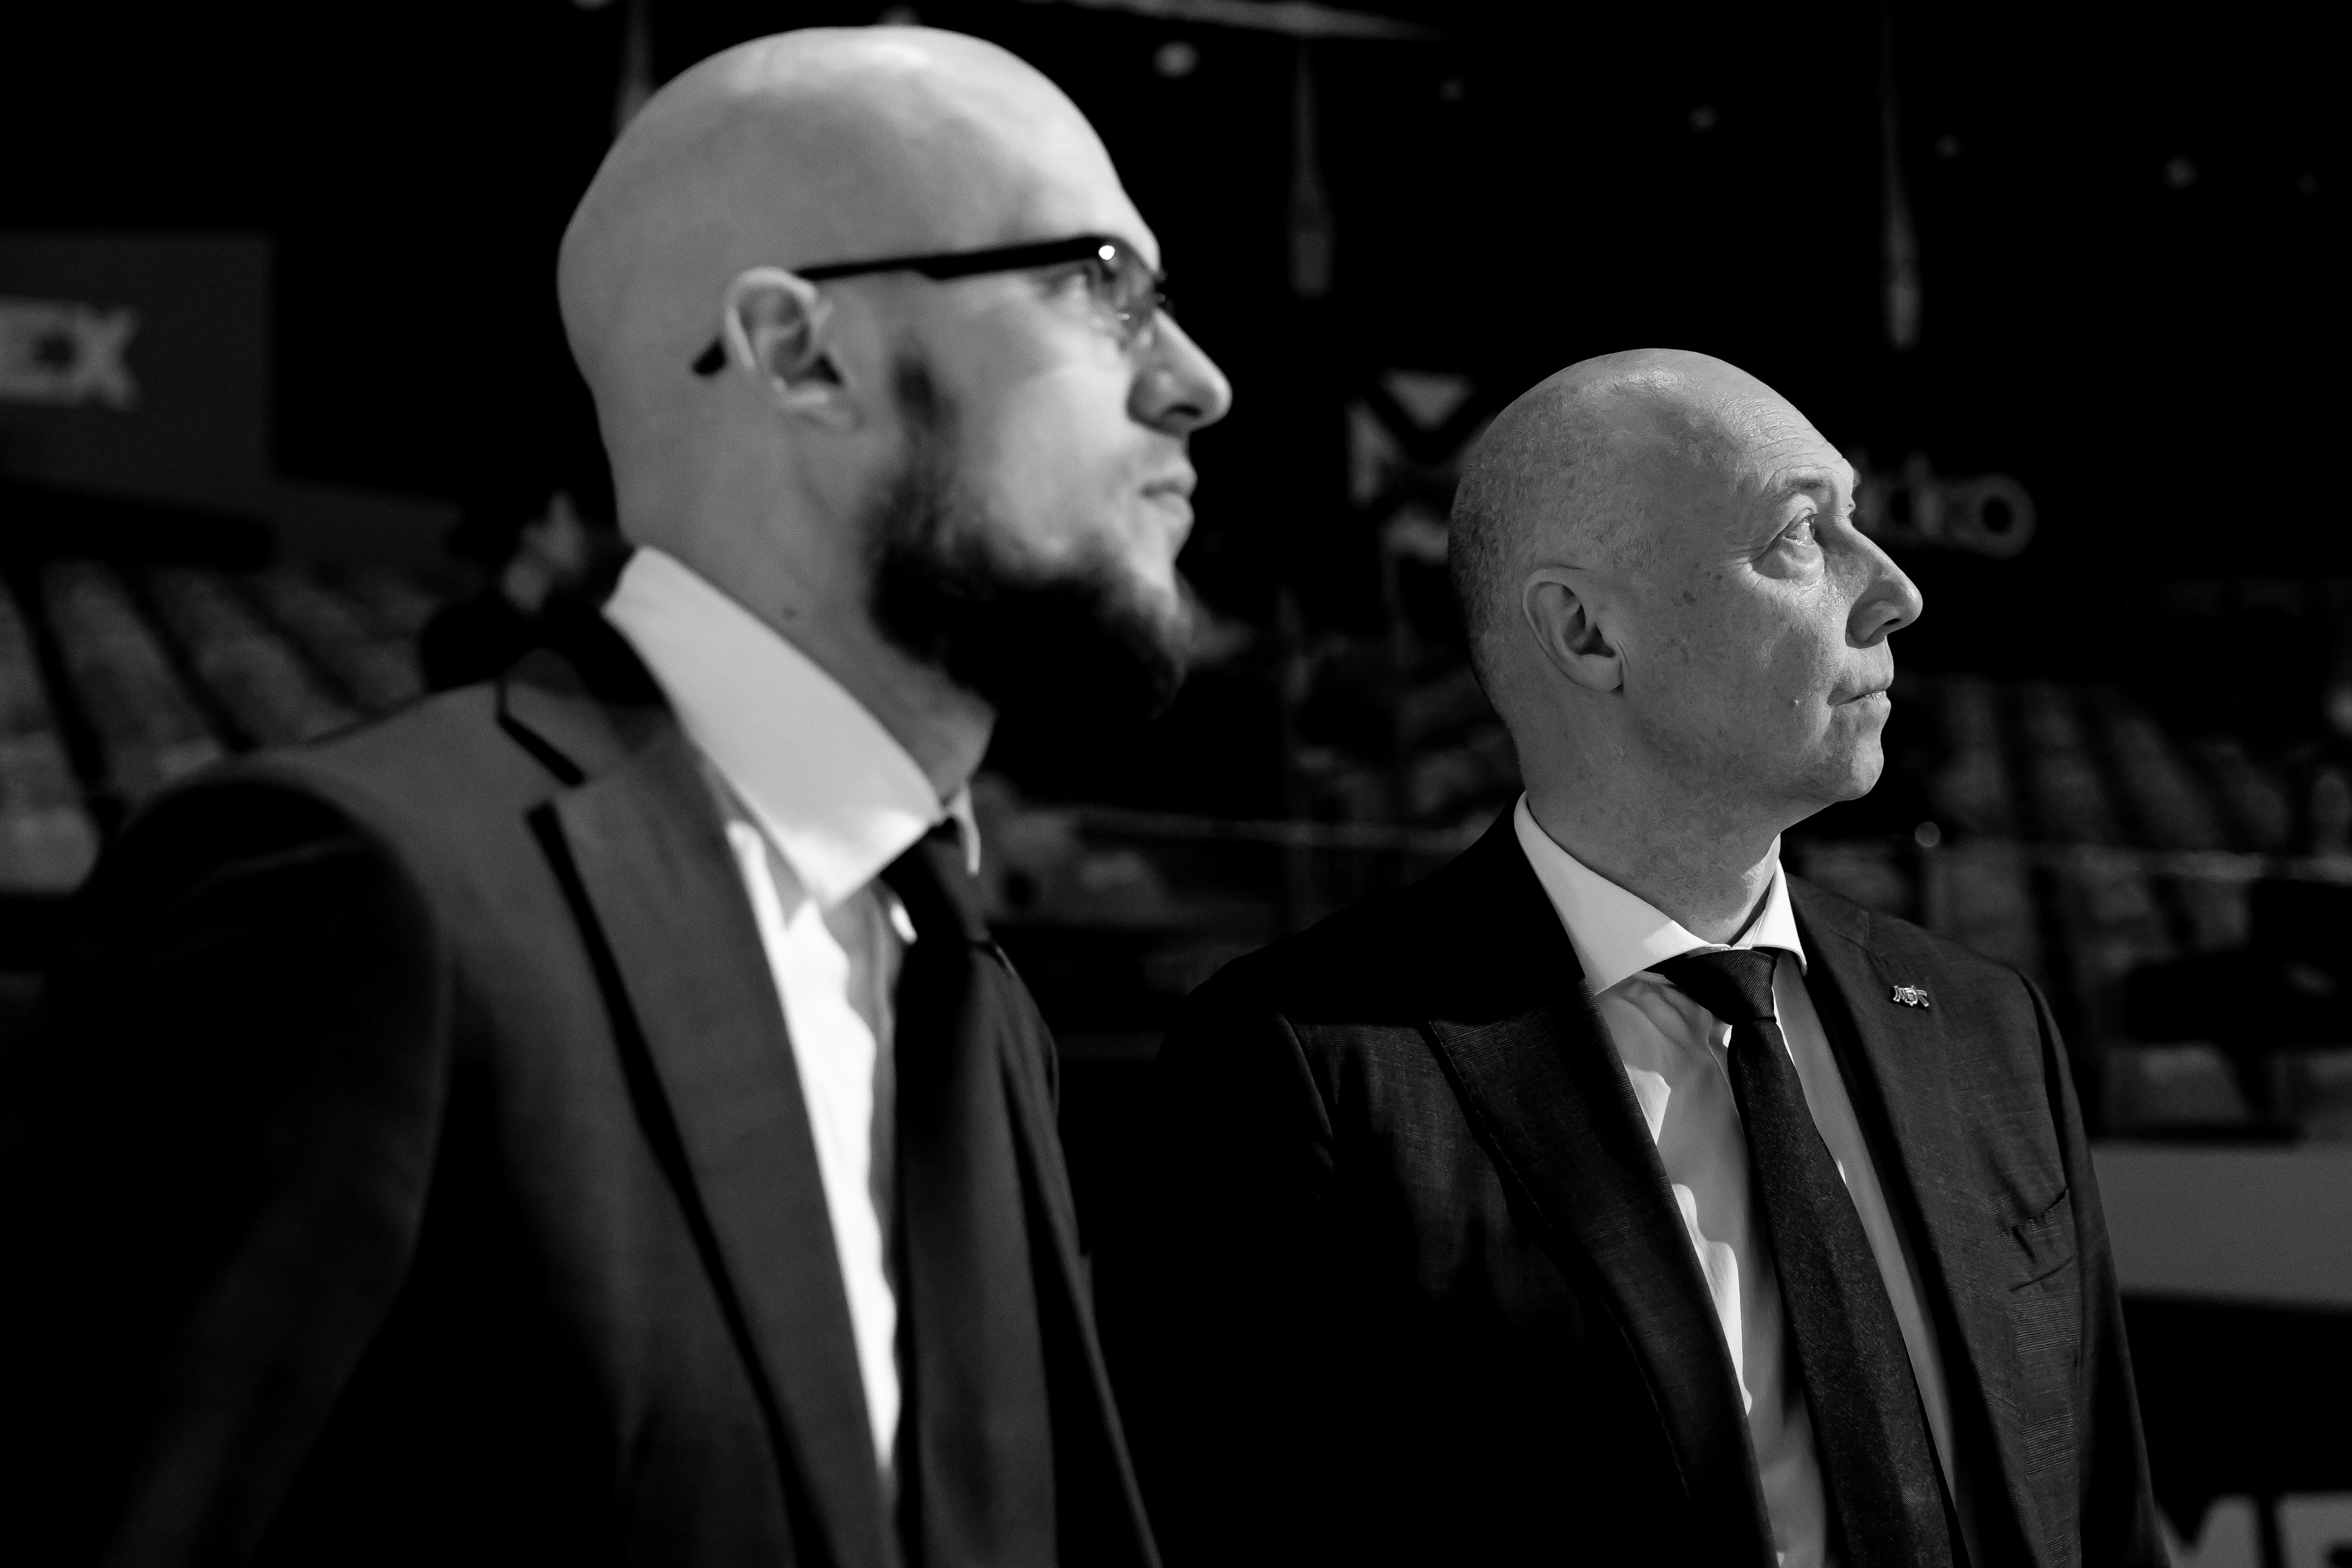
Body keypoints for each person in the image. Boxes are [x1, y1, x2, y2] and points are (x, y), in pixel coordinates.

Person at [0, 26, 1227, 1568]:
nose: (1198, 382)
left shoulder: (974, 1003)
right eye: (1103, 282)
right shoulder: (361, 899)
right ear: (803, 354)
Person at [1111, 350, 2161, 1567]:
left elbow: (2103, 1515)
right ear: (1588, 632)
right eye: (1801, 535)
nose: (1897, 592)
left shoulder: (1989, 1026)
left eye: (1861, 520)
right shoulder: (1300, 1068)